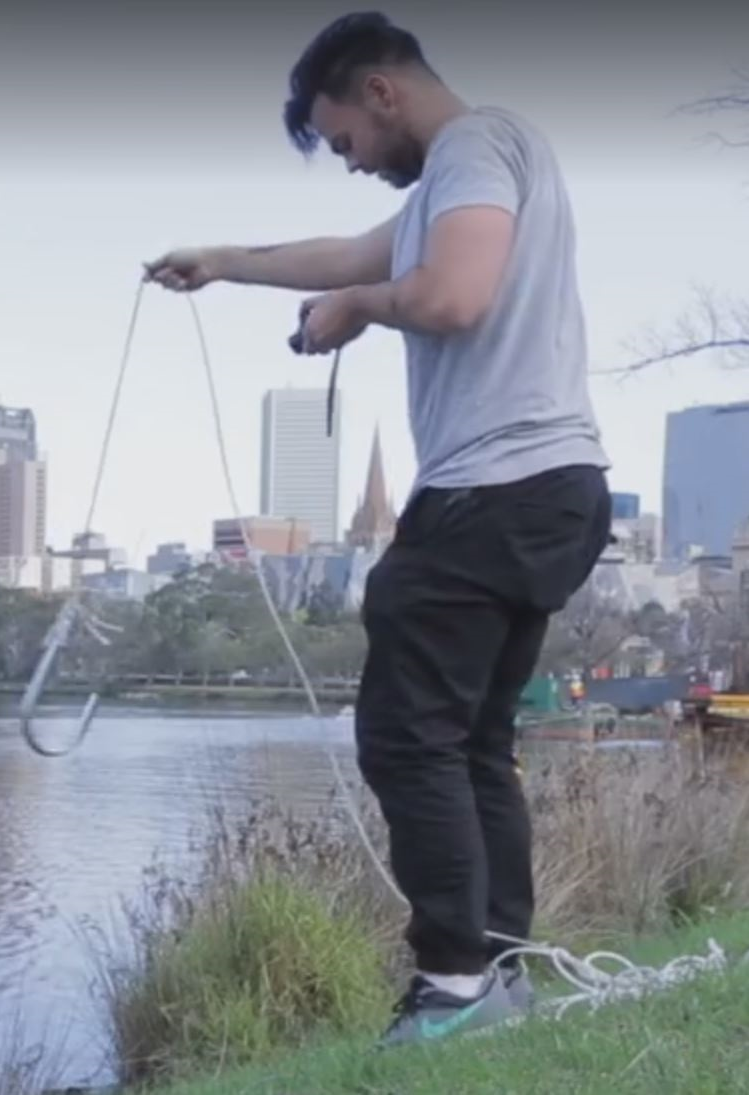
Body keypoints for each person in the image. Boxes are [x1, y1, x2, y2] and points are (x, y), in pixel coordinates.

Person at [144, 11, 612, 1047]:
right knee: (473, 744)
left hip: (493, 488)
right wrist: (220, 260)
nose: (352, 165)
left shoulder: (475, 146)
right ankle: (498, 972)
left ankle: (450, 989)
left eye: (345, 141)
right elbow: (348, 253)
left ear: (381, 94)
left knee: (407, 741)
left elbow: (450, 295)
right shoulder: (455, 181)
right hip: (548, 489)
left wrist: (359, 307)